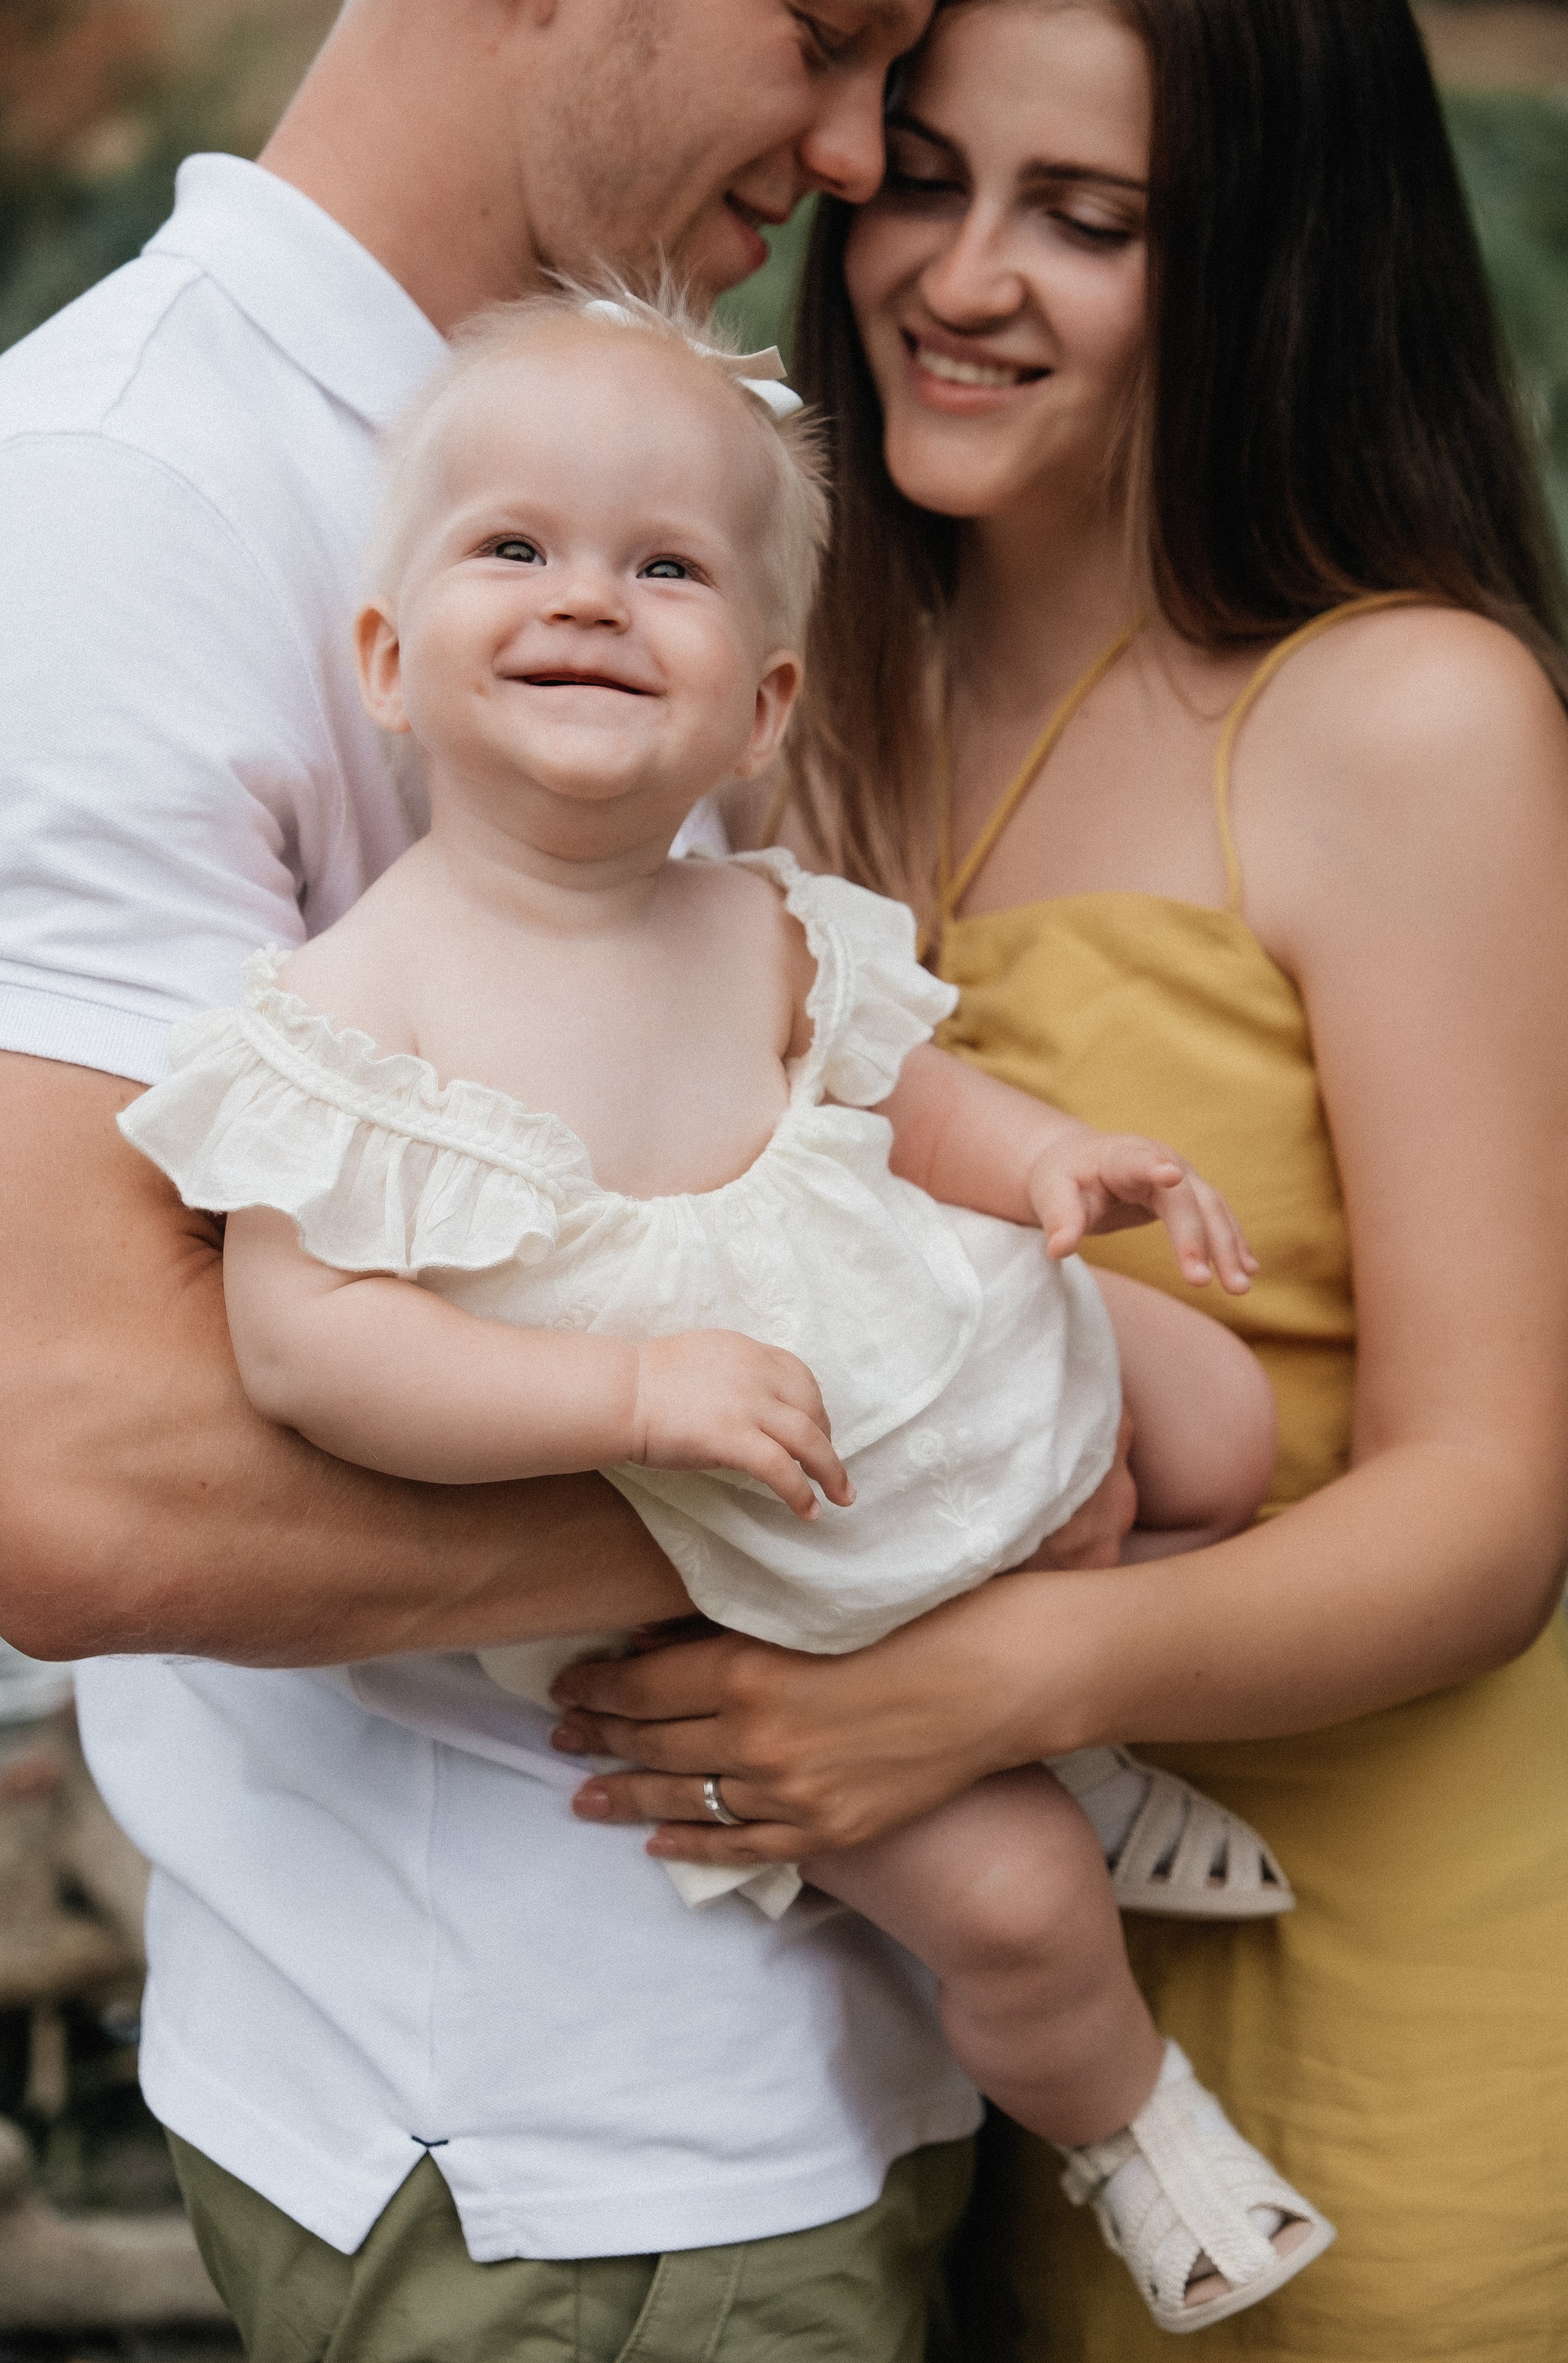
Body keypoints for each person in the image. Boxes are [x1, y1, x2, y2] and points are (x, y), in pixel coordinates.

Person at [0, 4, 1155, 2354]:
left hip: (828, 2047)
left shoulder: (610, 459)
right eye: (826, 36)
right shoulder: (122, 496)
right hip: (557, 2148)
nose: (854, 153)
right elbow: (71, 1469)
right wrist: (976, 1477)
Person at [119, 284, 1329, 2332]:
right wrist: (632, 1386)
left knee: (1218, 1422)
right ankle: (1144, 2131)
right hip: (733, 1556)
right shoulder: (356, 1011)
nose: (589, 597)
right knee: (1016, 1906)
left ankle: (1074, 1721)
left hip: (913, 1382)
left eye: (663, 565)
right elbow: (310, 1346)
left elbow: (901, 1087)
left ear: (759, 707)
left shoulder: (753, 920)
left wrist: (1043, 1161)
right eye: (516, 546)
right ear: (391, 664)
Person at [545, 2, 1568, 2355]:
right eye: (921, 176)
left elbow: (1495, 1507)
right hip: (962, 2052)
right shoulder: (779, 701)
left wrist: (990, 1681)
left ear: (1269, 266)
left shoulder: (1401, 716)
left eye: (1087, 220)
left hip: (1397, 1998)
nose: (958, 272)